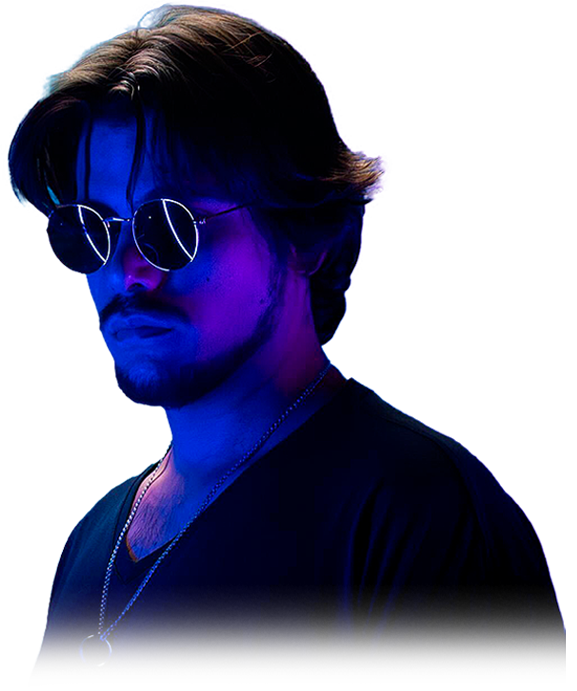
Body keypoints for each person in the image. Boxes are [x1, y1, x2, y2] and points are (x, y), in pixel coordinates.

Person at [7, 4, 565, 687]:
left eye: (170, 225)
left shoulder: (424, 522)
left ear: (309, 234)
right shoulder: (94, 535)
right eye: (92, 227)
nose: (127, 271)